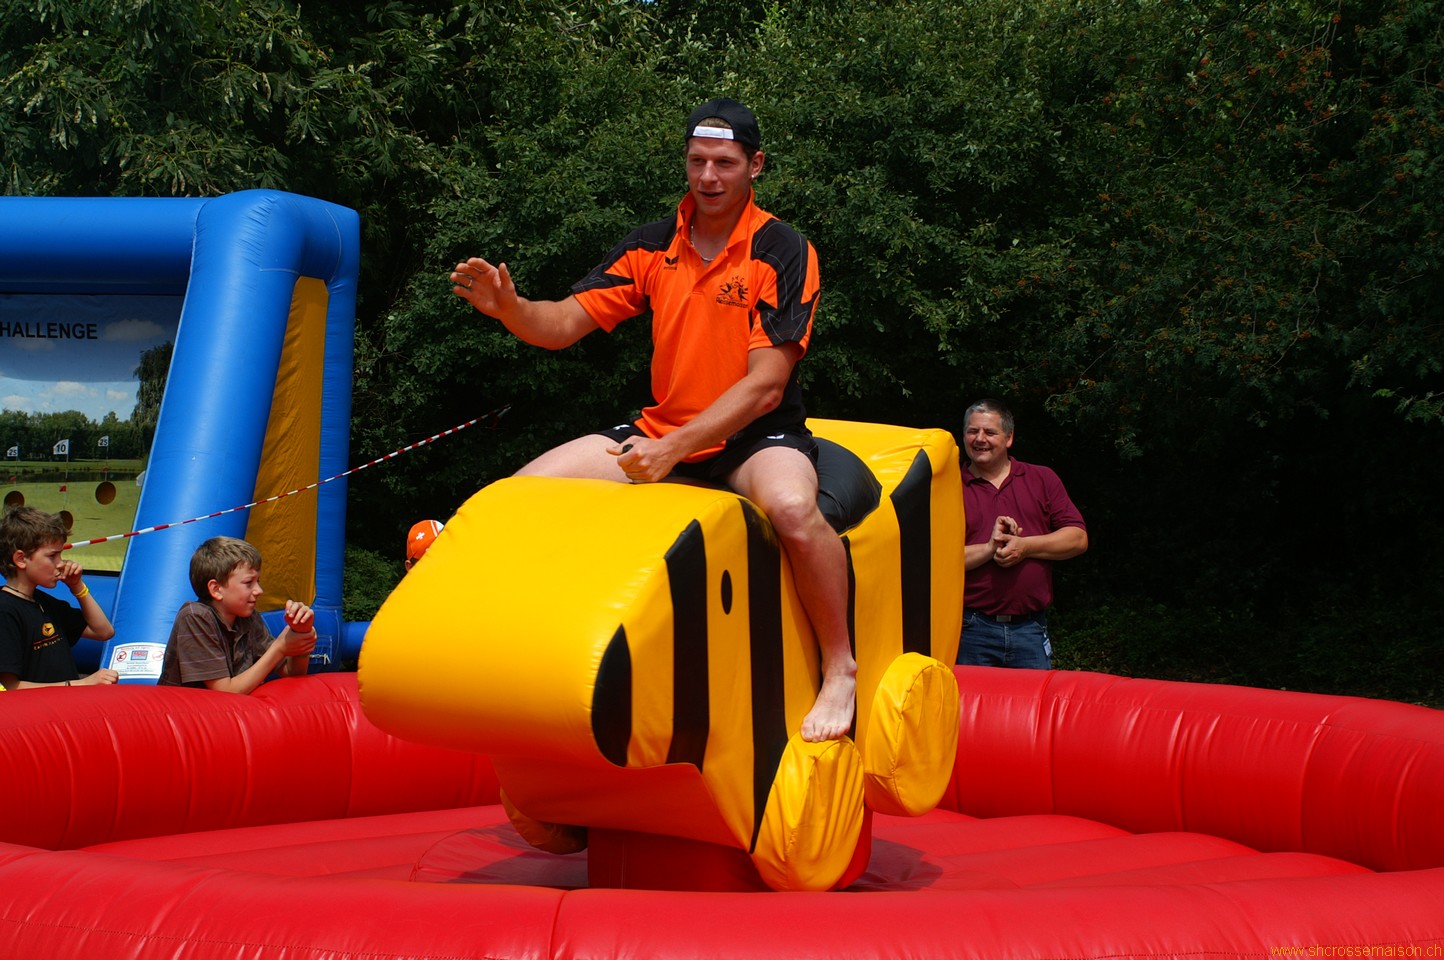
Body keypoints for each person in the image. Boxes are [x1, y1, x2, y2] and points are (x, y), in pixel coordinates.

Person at [449, 97, 856, 742]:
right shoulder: (653, 242)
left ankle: (840, 668)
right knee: (519, 496)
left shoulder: (783, 248)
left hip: (755, 437)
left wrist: (674, 450)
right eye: (697, 161)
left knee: (791, 509)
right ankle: (505, 659)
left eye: (724, 163)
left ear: (756, 165)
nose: (708, 176)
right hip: (664, 430)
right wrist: (511, 309)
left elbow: (766, 386)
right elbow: (562, 324)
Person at [960, 399, 1088, 669]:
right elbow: (935, 561)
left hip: (1030, 628)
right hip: (969, 630)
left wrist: (1025, 547)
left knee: (1033, 698)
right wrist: (989, 548)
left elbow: (1078, 538)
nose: (980, 439)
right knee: (971, 699)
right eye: (973, 431)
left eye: (990, 432)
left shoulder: (1041, 479)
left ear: (1009, 438)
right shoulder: (948, 487)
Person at [157, 536, 315, 693]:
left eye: (258, 581)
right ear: (216, 589)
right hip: (186, 708)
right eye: (248, 583)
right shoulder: (195, 617)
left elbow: (291, 672)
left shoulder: (248, 617)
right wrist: (279, 648)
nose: (259, 591)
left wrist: (301, 633)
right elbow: (225, 692)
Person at [0, 506, 118, 689]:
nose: (61, 563)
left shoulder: (41, 601)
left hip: (64, 705)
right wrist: (81, 684)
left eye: (61, 555)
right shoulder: (5, 610)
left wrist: (77, 586)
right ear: (21, 559)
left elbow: (104, 632)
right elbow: (11, 687)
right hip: (41, 708)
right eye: (52, 556)